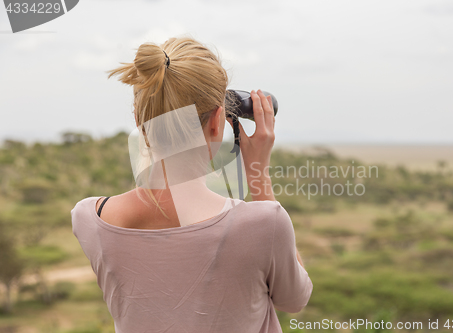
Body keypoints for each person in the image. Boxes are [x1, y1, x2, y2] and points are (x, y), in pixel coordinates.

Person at [71, 36, 313, 333]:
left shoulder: (88, 219)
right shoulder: (264, 223)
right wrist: (258, 177)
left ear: (138, 119)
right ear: (216, 122)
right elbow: (295, 299)